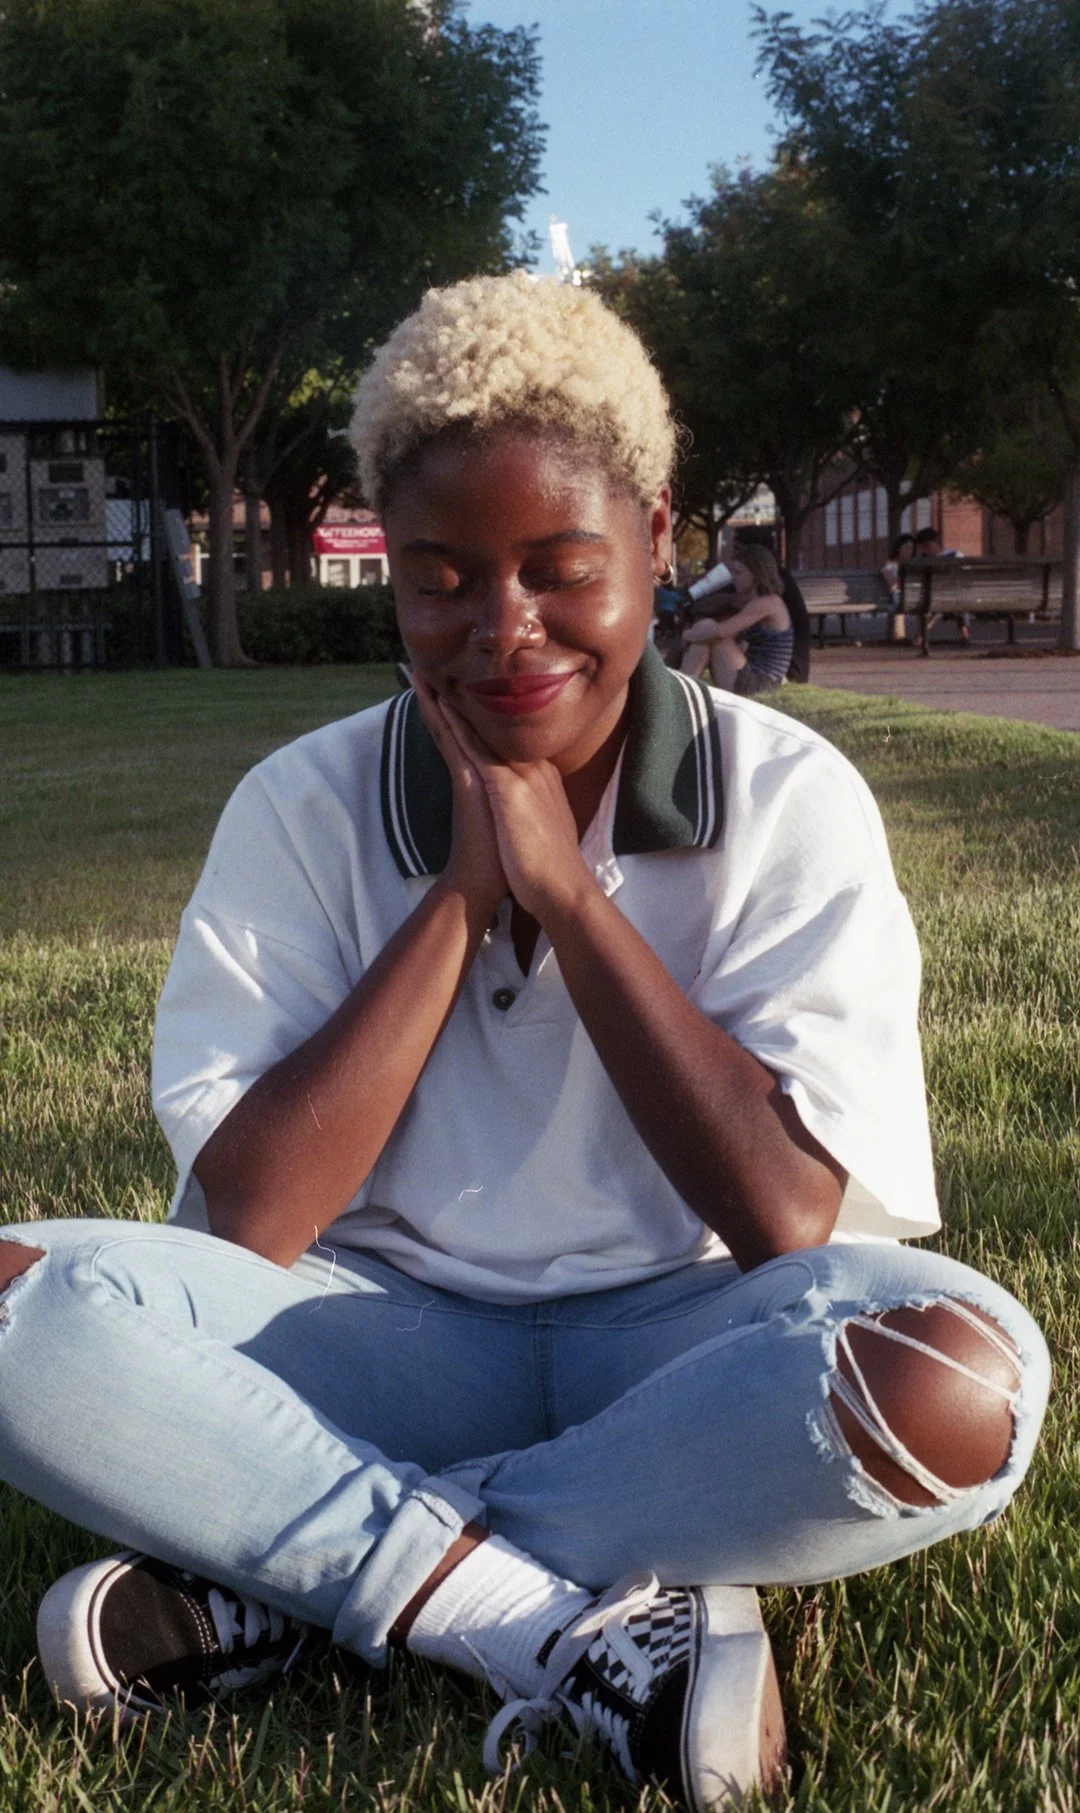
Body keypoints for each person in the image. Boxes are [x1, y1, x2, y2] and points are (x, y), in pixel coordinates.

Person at [0, 273, 1049, 1813]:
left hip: (686, 1347)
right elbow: (258, 1218)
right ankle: (560, 1612)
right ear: (395, 584)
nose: (504, 632)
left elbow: (783, 1216)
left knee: (956, 1381)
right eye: (440, 581)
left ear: (658, 540)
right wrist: (459, 900)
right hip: (372, 1340)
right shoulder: (301, 803)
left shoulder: (790, 793)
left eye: (563, 570)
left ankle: (294, 1572)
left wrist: (569, 891)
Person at [678, 544, 793, 696]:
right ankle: (680, 691)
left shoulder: (767, 603)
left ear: (755, 575)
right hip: (754, 674)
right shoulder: (753, 601)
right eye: (732, 571)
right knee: (704, 635)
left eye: (738, 572)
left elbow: (720, 632)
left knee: (710, 630)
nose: (732, 577)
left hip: (761, 683)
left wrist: (687, 635)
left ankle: (680, 692)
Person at [881, 533, 915, 643]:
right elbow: (892, 584)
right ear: (898, 548)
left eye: (911, 548)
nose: (909, 551)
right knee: (898, 599)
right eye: (907, 548)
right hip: (896, 596)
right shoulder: (890, 565)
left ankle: (920, 636)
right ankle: (899, 636)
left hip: (911, 594)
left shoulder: (912, 565)